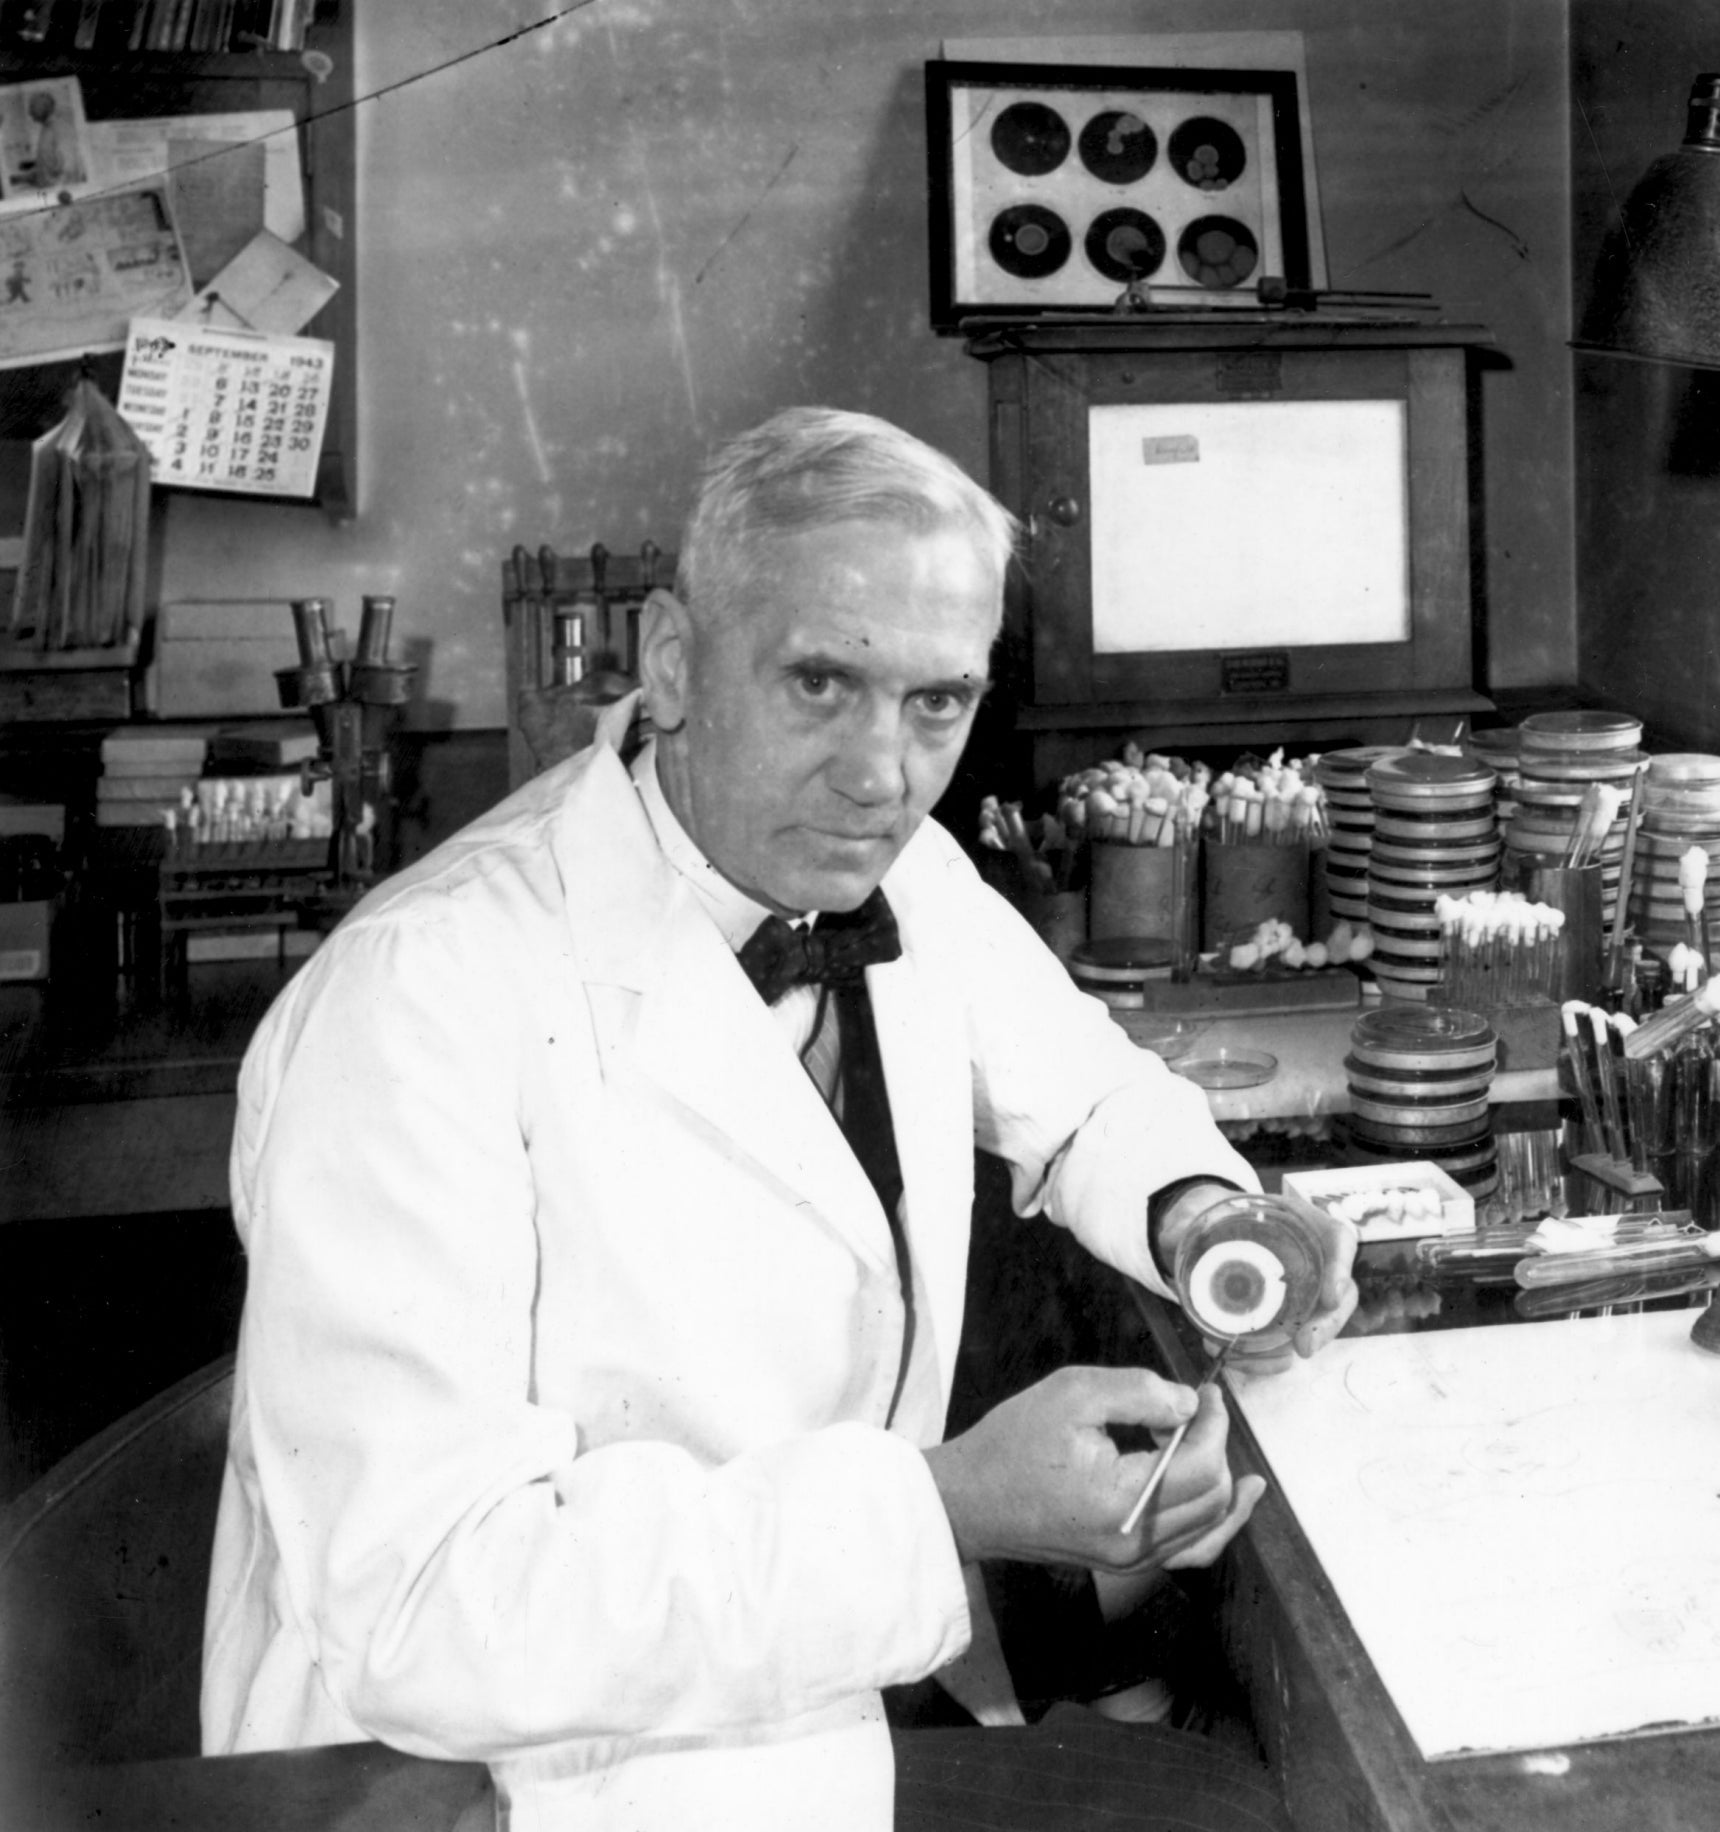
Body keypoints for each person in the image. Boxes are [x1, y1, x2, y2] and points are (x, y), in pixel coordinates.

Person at [201, 407, 1358, 1831]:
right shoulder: (415, 999)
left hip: (794, 1715)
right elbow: (420, 1612)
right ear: (674, 662)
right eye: (821, 682)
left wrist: (1204, 1219)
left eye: (937, 702)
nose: (884, 771)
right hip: (488, 1786)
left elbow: (1092, 1092)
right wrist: (943, 1510)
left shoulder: (892, 870)